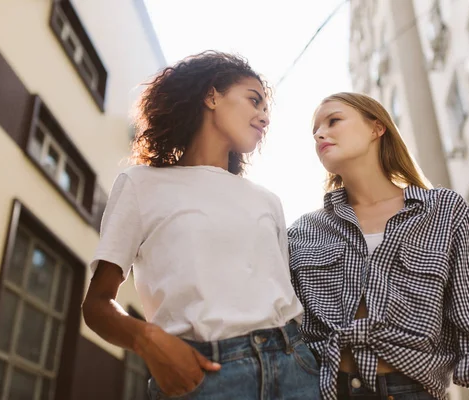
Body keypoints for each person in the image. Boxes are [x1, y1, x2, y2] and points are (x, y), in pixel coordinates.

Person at [82, 51, 320, 400]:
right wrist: (148, 340)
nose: (264, 117)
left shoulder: (267, 200)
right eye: (254, 101)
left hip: (294, 366)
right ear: (211, 96)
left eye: (266, 109)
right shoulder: (141, 184)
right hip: (204, 376)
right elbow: (97, 304)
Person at [288, 92, 469, 400]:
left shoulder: (445, 211)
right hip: (327, 391)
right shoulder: (301, 232)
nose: (320, 134)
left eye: (333, 121)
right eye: (315, 131)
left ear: (377, 128)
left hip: (414, 391)